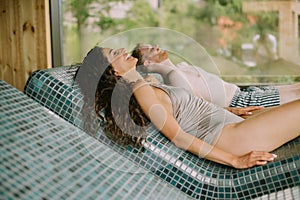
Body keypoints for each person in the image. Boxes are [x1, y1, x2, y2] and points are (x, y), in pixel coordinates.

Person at [75, 46, 300, 169]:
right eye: (114, 54)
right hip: (234, 139)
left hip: (234, 126)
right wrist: (235, 160)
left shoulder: (147, 84)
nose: (122, 50)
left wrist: (231, 111)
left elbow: (190, 109)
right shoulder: (141, 92)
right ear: (113, 72)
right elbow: (178, 136)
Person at [131, 43, 300, 113]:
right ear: (147, 63)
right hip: (241, 103)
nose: (156, 47)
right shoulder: (173, 79)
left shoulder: (181, 66)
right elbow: (200, 109)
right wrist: (233, 112)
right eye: (150, 49)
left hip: (246, 93)